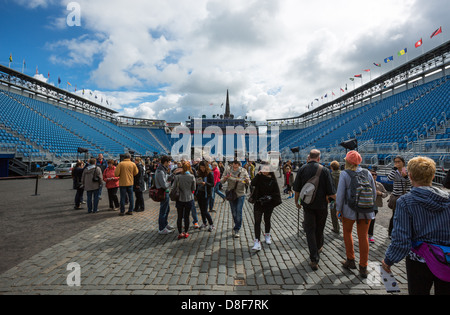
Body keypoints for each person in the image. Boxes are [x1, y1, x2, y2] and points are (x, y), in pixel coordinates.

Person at [382, 156, 450, 295]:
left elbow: (401, 240)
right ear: (432, 175)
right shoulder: (447, 199)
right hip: (446, 259)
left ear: (410, 176)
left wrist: (389, 260)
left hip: (419, 261)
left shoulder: (406, 201)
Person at [336, 151, 376, 278]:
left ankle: (350, 259)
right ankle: (363, 266)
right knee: (363, 237)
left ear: (347, 161)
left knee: (347, 233)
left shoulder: (345, 174)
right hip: (366, 210)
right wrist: (370, 205)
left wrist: (338, 209)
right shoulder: (367, 172)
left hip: (349, 210)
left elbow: (340, 194)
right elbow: (374, 192)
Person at [293, 149, 336, 271]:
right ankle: (318, 247)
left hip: (308, 205)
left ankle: (314, 259)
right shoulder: (325, 170)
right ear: (319, 158)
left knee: (310, 230)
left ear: (310, 157)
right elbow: (332, 192)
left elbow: (297, 188)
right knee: (320, 228)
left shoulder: (302, 169)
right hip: (322, 205)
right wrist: (333, 202)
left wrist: (297, 202)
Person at [250, 164, 282, 251]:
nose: (264, 171)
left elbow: (276, 193)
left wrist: (270, 198)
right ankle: (257, 241)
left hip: (269, 204)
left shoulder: (273, 180)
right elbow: (252, 183)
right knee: (257, 221)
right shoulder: (259, 177)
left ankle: (267, 235)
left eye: (266, 169)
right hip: (258, 203)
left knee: (267, 219)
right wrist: (257, 174)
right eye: (263, 169)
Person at [221, 160, 250, 238]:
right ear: (232, 164)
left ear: (239, 165)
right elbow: (221, 181)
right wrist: (225, 178)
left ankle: (237, 228)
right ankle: (236, 223)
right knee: (234, 212)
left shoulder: (244, 171)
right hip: (231, 194)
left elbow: (249, 182)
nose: (235, 167)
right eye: (233, 166)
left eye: (236, 166)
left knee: (238, 211)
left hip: (241, 193)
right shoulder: (227, 170)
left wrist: (247, 181)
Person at [387, 156, 412, 237]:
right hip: (396, 197)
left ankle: (402, 231)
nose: (397, 163)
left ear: (403, 162)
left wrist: (405, 177)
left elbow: (410, 184)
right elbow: (389, 179)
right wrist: (394, 169)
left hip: (405, 196)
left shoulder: (407, 171)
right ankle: (390, 232)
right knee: (395, 215)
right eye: (396, 162)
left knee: (405, 216)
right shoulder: (394, 171)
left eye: (399, 161)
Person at [173, 161, 196, 239]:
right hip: (189, 198)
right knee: (187, 216)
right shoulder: (192, 177)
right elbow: (194, 188)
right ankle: (186, 232)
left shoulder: (177, 177)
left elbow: (173, 188)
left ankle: (180, 233)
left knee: (179, 216)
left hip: (180, 198)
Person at [155, 156, 177, 234]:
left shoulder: (163, 169)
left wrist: (173, 174)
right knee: (163, 211)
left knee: (167, 210)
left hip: (165, 192)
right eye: (169, 162)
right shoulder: (160, 171)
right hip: (163, 192)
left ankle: (165, 224)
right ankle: (161, 228)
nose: (170, 163)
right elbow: (164, 184)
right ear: (165, 162)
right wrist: (170, 183)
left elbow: (168, 177)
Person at [368, 170, 388, 243]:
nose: (374, 176)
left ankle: (370, 235)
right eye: (372, 174)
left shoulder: (379, 185)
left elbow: (386, 194)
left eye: (375, 174)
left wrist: (380, 193)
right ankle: (366, 234)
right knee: (366, 221)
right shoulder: (365, 184)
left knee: (372, 221)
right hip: (366, 205)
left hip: (375, 206)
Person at [196, 161, 215, 231]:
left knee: (205, 210)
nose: (202, 169)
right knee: (201, 210)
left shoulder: (210, 173)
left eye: (203, 167)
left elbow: (212, 184)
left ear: (206, 167)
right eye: (201, 167)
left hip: (207, 194)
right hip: (200, 193)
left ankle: (211, 224)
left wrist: (205, 183)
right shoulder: (199, 173)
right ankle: (204, 222)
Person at [329, 161, 341, 234]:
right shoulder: (342, 174)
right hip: (341, 197)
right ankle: (343, 222)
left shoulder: (330, 176)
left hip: (333, 198)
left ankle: (336, 228)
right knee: (341, 212)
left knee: (333, 213)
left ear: (332, 167)